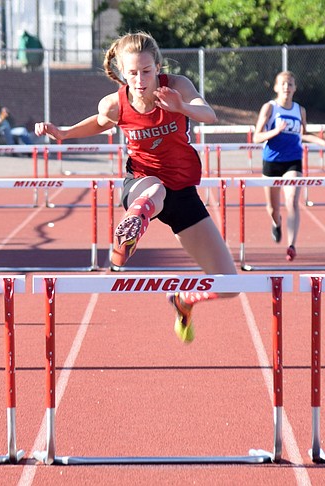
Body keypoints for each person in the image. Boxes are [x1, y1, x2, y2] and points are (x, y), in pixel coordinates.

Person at [35, 32, 237, 343]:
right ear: (121, 72)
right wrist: (63, 133)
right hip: (142, 183)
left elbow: (209, 115)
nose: (140, 80)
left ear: (158, 67)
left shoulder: (178, 85)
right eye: (132, 73)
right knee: (154, 190)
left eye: (146, 71)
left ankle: (183, 301)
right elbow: (100, 121)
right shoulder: (115, 103)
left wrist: (181, 105)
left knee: (229, 285)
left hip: (182, 190)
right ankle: (131, 228)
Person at [253, 71, 325, 262]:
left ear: (295, 88)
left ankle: (291, 245)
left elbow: (303, 134)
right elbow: (256, 137)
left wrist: (321, 142)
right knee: (273, 208)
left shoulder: (300, 110)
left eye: (290, 84)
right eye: (283, 84)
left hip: (293, 160)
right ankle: (276, 222)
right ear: (276, 87)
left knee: (291, 200)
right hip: (272, 161)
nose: (286, 87)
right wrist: (276, 131)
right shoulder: (269, 108)